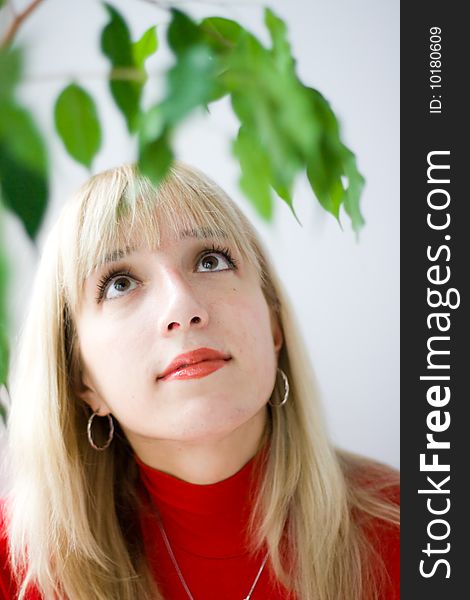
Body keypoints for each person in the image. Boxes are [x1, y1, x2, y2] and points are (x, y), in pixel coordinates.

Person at [0, 162, 399, 600]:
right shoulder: (15, 563)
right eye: (120, 283)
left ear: (273, 324)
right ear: (82, 380)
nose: (182, 306)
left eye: (210, 261)